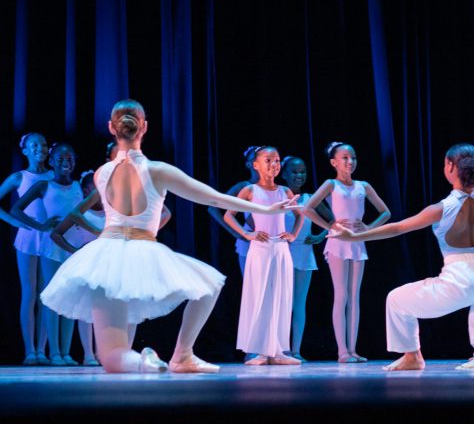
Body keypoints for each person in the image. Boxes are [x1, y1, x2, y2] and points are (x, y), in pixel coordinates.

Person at [39, 99, 297, 373]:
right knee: (209, 286)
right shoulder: (157, 171)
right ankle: (182, 354)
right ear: (144, 127)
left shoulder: (102, 173)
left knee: (111, 357)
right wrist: (264, 208)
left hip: (105, 254)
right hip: (140, 246)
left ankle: (145, 361)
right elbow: (215, 198)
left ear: (112, 128)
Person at [331, 143, 474, 371]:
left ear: (451, 167)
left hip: (460, 277)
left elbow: (398, 227)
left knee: (396, 299)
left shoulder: (443, 207)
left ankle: (413, 356)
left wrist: (354, 236)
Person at [303, 142, 391, 363]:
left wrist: (369, 228)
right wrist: (330, 226)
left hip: (358, 241)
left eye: (352, 157)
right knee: (341, 294)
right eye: (344, 158)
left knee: (355, 296)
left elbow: (385, 212)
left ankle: (352, 349)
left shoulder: (364, 186)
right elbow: (307, 208)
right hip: (338, 242)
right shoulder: (331, 184)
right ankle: (342, 350)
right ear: (334, 162)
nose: (350, 161)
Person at [225, 146, 303, 365]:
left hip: (281, 249)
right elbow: (229, 215)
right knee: (260, 297)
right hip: (260, 250)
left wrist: (294, 234)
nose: (274, 164)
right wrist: (247, 234)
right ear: (256, 165)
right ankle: (259, 350)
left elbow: (300, 215)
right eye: (268, 160)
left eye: (277, 160)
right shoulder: (249, 191)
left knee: (281, 296)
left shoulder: (285, 191)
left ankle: (278, 351)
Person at [12, 142, 83, 366]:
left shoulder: (79, 186)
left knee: (70, 297)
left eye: (70, 158)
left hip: (74, 246)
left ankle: (66, 352)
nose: (65, 162)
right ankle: (53, 353)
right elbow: (16, 209)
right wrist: (40, 226)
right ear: (51, 162)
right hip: (52, 245)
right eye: (60, 158)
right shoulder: (44, 185)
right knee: (51, 297)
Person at [0, 132, 52, 365]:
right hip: (29, 238)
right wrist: (12, 221)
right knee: (29, 292)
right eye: (34, 145)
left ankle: (42, 350)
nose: (40, 148)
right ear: (25, 150)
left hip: (50, 237)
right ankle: (30, 350)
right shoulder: (19, 177)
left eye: (43, 144)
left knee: (46, 295)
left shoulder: (54, 175)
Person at [49, 170, 104, 366]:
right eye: (94, 187)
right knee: (86, 310)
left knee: (104, 310)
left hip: (106, 265)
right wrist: (74, 251)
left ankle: (102, 352)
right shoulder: (82, 212)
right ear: (85, 189)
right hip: (87, 265)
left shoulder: (111, 211)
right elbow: (56, 234)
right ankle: (88, 354)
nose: (98, 190)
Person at [280, 156, 333, 361]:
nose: (299, 175)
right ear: (284, 174)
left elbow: (333, 220)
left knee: (299, 304)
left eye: (302, 171)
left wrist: (320, 236)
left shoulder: (310, 198)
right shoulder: (280, 196)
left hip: (303, 252)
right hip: (282, 252)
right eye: (294, 172)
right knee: (282, 303)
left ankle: (295, 350)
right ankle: (281, 349)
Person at [208, 146, 260, 275]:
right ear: (249, 164)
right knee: (253, 287)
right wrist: (236, 232)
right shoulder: (244, 186)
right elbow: (213, 207)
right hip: (251, 241)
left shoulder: (278, 188)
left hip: (272, 242)